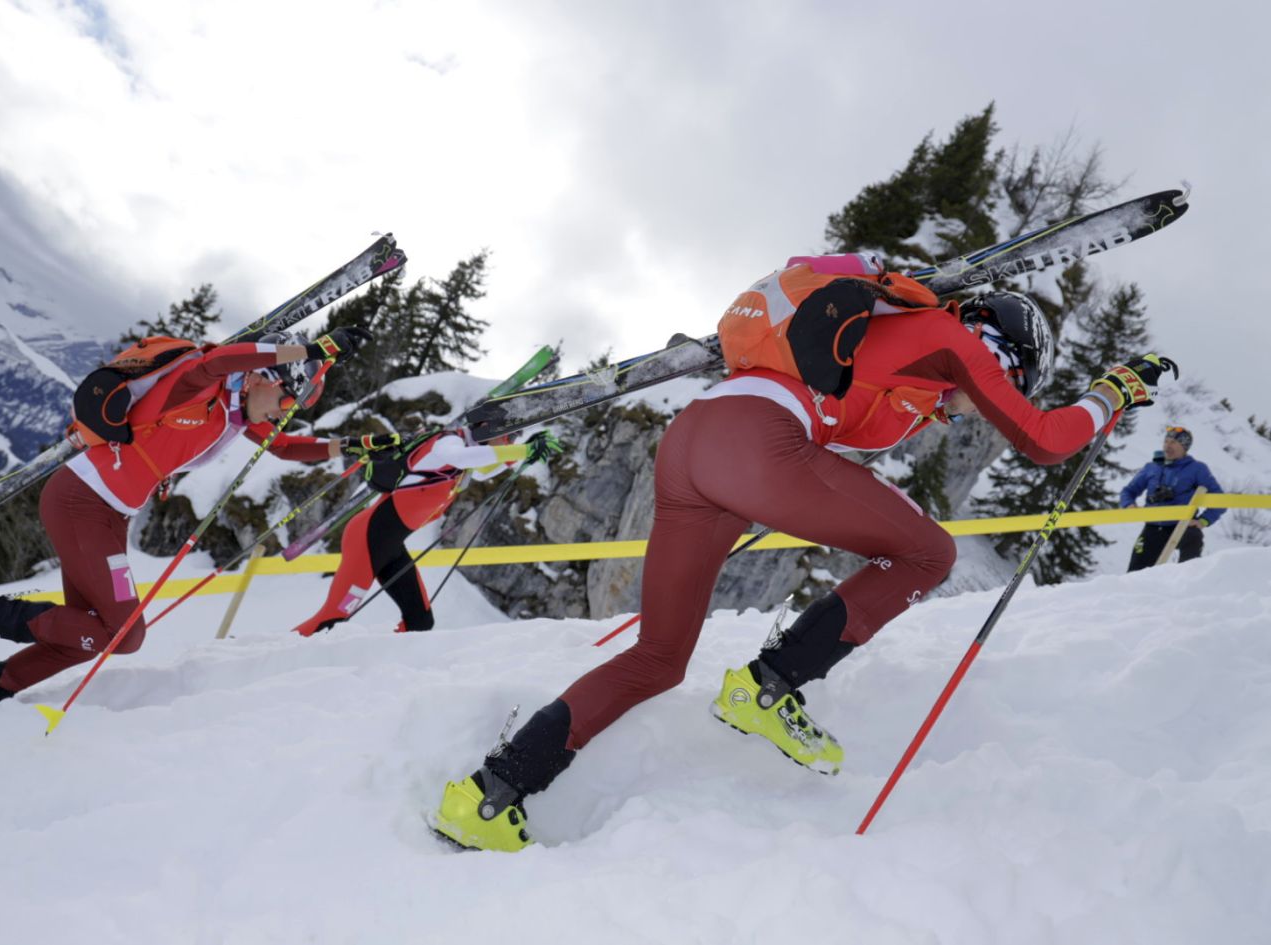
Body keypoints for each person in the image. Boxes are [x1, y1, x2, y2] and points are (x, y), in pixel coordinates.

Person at [432, 258, 1178, 852]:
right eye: (1008, 383)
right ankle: (769, 684)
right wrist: (1111, 393)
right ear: (1002, 355)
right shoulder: (951, 342)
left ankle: (490, 793)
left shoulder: (886, 350)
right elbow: (1045, 439)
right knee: (927, 553)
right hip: (756, 445)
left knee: (658, 657)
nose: (978, 405)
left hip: (694, 443)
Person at [0, 325, 374, 719]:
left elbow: (286, 447)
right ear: (259, 376)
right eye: (284, 399)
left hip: (110, 515)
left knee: (89, 632)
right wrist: (314, 350)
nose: (282, 412)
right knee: (124, 632)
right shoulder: (197, 385)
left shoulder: (234, 416)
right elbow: (220, 360)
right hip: (81, 500)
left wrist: (356, 445)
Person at [289, 427, 564, 636]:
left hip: (390, 547)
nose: (510, 443)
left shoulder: (459, 468)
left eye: (514, 440)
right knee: (333, 618)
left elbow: (480, 471)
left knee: (419, 622)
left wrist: (520, 453)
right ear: (488, 429)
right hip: (367, 540)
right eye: (509, 437)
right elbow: (463, 456)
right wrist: (521, 452)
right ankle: (273, 658)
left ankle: (383, 680)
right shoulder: (447, 443)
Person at [1121, 425, 1223, 570]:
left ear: (1184, 447)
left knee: (1194, 537)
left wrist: (1203, 520)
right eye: (1166, 441)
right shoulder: (1152, 467)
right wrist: (1128, 504)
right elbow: (1128, 491)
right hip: (1152, 527)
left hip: (1181, 527)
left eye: (1173, 442)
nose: (1168, 446)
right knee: (1135, 572)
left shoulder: (1197, 469)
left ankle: (1188, 582)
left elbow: (1219, 499)